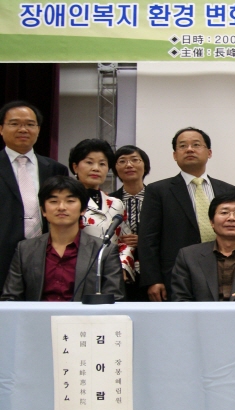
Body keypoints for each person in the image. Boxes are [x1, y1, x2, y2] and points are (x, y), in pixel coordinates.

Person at [138, 127, 235, 301]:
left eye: (196, 145)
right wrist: (153, 279)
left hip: (224, 271)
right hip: (176, 275)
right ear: (175, 155)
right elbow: (148, 238)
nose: (189, 149)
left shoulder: (227, 190)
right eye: (183, 146)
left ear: (209, 152)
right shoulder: (158, 191)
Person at [1, 176, 124, 301]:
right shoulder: (25, 250)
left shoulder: (104, 251)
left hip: (84, 314)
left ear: (83, 209)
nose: (61, 207)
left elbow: (115, 299)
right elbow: (11, 298)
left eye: (70, 201)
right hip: (37, 314)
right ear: (43, 210)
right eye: (53, 201)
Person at [0, 100, 68, 287]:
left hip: (47, 256)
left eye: (30, 124)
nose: (23, 129)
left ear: (38, 129)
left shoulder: (56, 169)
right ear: (1, 129)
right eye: (15, 123)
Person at [68, 139, 135, 282]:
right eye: (89, 162)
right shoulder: (66, 202)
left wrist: (122, 267)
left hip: (112, 275)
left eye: (102, 164)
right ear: (75, 167)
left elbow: (125, 241)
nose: (96, 168)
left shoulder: (116, 204)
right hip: (75, 273)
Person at [110, 145, 150, 301]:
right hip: (117, 270)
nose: (129, 165)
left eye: (135, 160)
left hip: (150, 270)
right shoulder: (109, 201)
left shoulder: (158, 198)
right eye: (122, 161)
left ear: (145, 166)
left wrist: (143, 241)